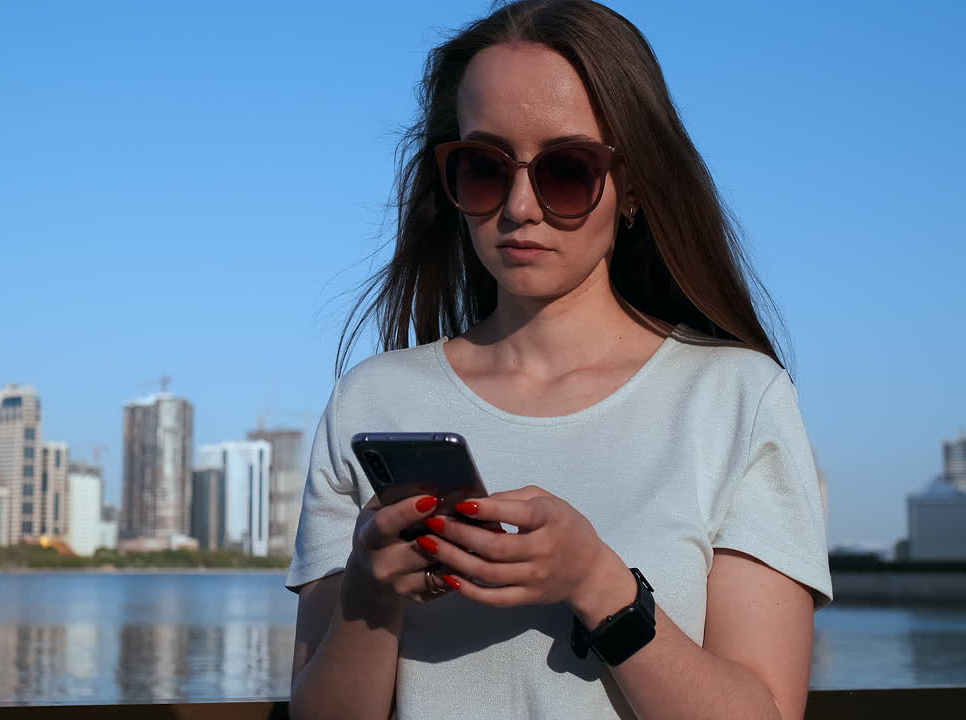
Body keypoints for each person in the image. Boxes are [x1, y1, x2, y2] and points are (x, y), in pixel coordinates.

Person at [286, 1, 832, 719]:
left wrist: (599, 585)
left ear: (633, 184)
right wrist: (370, 591)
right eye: (483, 168)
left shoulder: (736, 398)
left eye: (566, 171)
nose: (519, 206)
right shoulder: (372, 402)